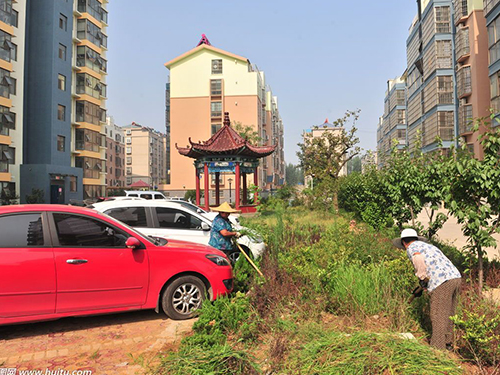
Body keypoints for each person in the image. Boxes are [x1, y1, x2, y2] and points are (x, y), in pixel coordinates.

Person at [392, 228, 462, 350]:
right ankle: (448, 343)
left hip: (442, 281)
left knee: (438, 315)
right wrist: (424, 284)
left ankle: (437, 349)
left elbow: (418, 260)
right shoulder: (428, 246)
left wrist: (422, 278)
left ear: (404, 242)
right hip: (455, 277)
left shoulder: (412, 247)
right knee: (449, 313)